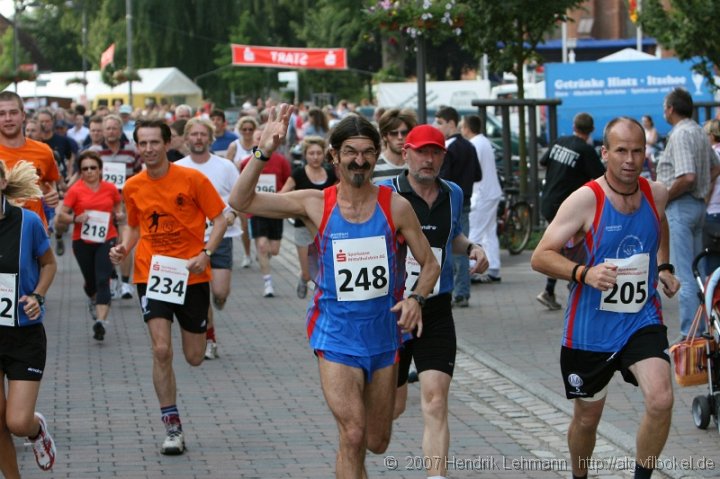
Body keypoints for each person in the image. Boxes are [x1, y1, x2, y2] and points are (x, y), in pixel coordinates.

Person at [229, 106, 440, 478]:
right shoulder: (315, 202)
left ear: (376, 155)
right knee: (353, 433)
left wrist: (416, 298)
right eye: (350, 153)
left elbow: (430, 265)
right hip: (336, 334)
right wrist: (263, 151)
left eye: (367, 153)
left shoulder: (397, 206)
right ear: (334, 157)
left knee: (376, 440)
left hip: (383, 336)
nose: (359, 161)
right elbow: (241, 201)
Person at [530, 117, 680, 479]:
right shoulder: (585, 200)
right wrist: (585, 273)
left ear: (646, 153)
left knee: (661, 400)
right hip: (590, 328)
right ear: (605, 153)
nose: (630, 159)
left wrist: (664, 266)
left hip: (640, 318)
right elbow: (540, 256)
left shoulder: (654, 193)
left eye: (638, 151)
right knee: (587, 419)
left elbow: (660, 223)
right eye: (621, 151)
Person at [109, 119, 227, 455]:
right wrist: (123, 248)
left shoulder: (192, 179)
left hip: (191, 273)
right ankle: (171, 426)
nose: (148, 149)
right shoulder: (133, 186)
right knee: (161, 350)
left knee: (193, 357)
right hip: (153, 272)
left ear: (167, 143)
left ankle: (206, 329)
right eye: (142, 143)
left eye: (153, 143)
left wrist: (206, 254)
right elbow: (133, 227)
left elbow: (220, 219)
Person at [380, 125, 488, 479]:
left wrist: (471, 247)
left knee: (436, 399)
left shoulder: (453, 193)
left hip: (436, 307)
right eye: (421, 152)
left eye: (435, 153)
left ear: (443, 156)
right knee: (390, 409)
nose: (428, 160)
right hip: (393, 312)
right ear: (405, 152)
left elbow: (451, 235)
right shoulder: (386, 194)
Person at [0, 159, 58, 475]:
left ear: (2, 183)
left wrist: (37, 295)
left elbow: (49, 264)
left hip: (23, 332)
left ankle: (36, 431)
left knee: (17, 421)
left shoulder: (28, 222)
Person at [656, 87, 720, 342]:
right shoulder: (697, 131)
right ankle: (705, 328)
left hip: (681, 206)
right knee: (698, 272)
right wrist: (703, 193)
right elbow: (715, 167)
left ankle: (688, 335)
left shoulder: (681, 134)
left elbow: (687, 176)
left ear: (670, 109)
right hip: (697, 207)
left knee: (684, 273)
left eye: (664, 106)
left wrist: (665, 196)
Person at [176, 118, 241, 360]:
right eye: (194, 134)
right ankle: (210, 339)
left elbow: (240, 198)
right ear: (186, 138)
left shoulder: (225, 167)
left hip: (222, 236)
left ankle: (218, 300)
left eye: (203, 134)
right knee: (202, 294)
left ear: (210, 138)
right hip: (192, 241)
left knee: (220, 292)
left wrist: (233, 214)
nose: (198, 138)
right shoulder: (178, 168)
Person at [537, 112, 605, 311]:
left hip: (548, 201)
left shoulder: (559, 141)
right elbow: (601, 178)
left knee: (560, 247)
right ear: (591, 130)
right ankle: (574, 286)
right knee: (573, 248)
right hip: (565, 208)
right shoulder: (585, 150)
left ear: (574, 125)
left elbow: (543, 161)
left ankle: (552, 290)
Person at [56, 150, 123, 341]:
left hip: (106, 239)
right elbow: (62, 215)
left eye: (93, 168)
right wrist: (75, 218)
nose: (89, 171)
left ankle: (101, 322)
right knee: (91, 282)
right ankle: (93, 298)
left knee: (103, 279)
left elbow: (119, 207)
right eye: (85, 168)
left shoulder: (110, 188)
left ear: (100, 169)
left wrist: (119, 215)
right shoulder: (75, 190)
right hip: (82, 242)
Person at [90, 114, 142, 300]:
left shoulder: (131, 150)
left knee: (124, 241)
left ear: (120, 131)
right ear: (102, 131)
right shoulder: (95, 151)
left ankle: (127, 283)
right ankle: (111, 280)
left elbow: (138, 173)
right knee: (106, 243)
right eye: (108, 128)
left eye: (114, 128)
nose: (111, 132)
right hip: (103, 203)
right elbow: (88, 177)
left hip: (126, 201)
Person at [434, 106, 482, 308]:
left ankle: (457, 291)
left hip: (450, 203)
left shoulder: (448, 149)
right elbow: (478, 174)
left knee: (452, 246)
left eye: (440, 122)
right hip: (467, 200)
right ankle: (463, 291)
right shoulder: (469, 146)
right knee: (463, 246)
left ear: (451, 123)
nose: (438, 127)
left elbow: (441, 179)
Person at [279, 135, 337, 298]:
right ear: (305, 155)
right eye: (311, 153)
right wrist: (294, 208)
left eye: (319, 153)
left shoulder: (330, 172)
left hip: (325, 227)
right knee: (307, 272)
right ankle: (303, 279)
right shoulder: (298, 174)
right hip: (303, 228)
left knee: (325, 269)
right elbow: (283, 195)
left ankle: (322, 301)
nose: (315, 157)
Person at [240, 129, 291, 297]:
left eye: (264, 138)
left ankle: (264, 258)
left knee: (274, 250)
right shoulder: (246, 162)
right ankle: (268, 282)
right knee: (262, 246)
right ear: (253, 142)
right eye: (257, 138)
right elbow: (242, 187)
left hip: (276, 209)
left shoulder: (281, 161)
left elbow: (289, 182)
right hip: (256, 210)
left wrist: (281, 195)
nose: (261, 141)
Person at [0, 92, 60, 231]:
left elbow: (49, 182)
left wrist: (52, 194)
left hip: (36, 231)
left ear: (23, 115)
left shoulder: (44, 151)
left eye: (13, 112)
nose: (8, 118)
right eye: (1, 114)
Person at [462, 114, 503, 283]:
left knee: (475, 232)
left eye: (462, 126)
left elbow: (473, 170)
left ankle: (474, 270)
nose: (461, 129)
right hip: (492, 192)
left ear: (468, 128)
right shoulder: (484, 141)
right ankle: (493, 267)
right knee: (489, 232)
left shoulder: (474, 144)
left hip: (482, 194)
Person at [226, 116, 259, 268]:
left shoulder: (258, 146)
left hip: (258, 187)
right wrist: (236, 165)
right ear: (239, 130)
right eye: (244, 129)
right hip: (240, 189)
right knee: (244, 224)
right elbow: (226, 166)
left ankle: (261, 248)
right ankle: (247, 254)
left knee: (261, 221)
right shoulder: (234, 146)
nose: (247, 132)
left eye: (250, 129)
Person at [371, 108, 417, 184]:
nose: (400, 137)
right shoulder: (373, 166)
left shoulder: (416, 164)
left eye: (404, 132)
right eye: (394, 133)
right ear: (384, 136)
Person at [702, 119, 720, 275]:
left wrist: (703, 203)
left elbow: (711, 183)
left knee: (713, 268)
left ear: (712, 136)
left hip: (713, 213)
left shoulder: (712, 156)